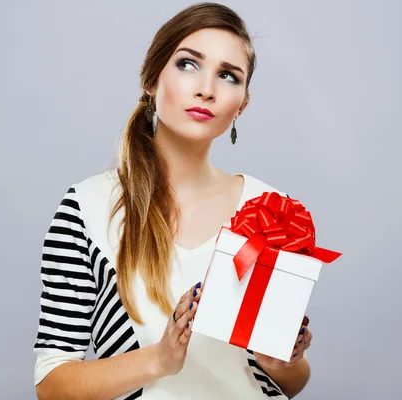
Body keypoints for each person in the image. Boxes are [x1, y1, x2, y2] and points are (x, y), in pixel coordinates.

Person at [33, 3, 313, 399]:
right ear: (151, 79)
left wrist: (282, 362)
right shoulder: (86, 209)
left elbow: (292, 382)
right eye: (187, 65)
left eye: (228, 76)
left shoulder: (273, 209)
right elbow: (52, 385)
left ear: (242, 104)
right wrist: (159, 359)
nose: (206, 89)